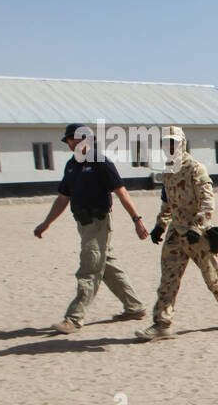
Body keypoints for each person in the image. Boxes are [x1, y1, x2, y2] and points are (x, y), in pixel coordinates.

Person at [33, 124, 148, 333]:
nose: (73, 143)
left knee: (89, 269)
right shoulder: (71, 165)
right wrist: (46, 222)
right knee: (108, 265)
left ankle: (74, 318)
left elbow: (121, 192)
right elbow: (62, 198)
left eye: (78, 139)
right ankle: (134, 307)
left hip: (99, 222)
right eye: (70, 140)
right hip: (83, 224)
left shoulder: (101, 162)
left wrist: (137, 220)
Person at [136, 126, 218, 340]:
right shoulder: (167, 171)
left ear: (182, 143)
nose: (170, 147)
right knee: (168, 279)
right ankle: (162, 324)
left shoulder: (195, 168)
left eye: (173, 142)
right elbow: (167, 203)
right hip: (176, 235)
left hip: (197, 234)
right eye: (166, 143)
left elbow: (207, 201)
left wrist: (198, 227)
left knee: (213, 277)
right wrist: (160, 225)